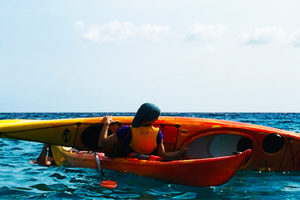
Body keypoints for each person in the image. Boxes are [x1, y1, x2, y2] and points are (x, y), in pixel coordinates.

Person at [97, 103, 188, 160]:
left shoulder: (126, 131)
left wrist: (106, 124)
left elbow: (102, 143)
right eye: (156, 116)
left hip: (127, 164)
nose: (157, 118)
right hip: (148, 163)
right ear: (152, 119)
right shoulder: (158, 133)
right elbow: (164, 155)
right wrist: (181, 152)